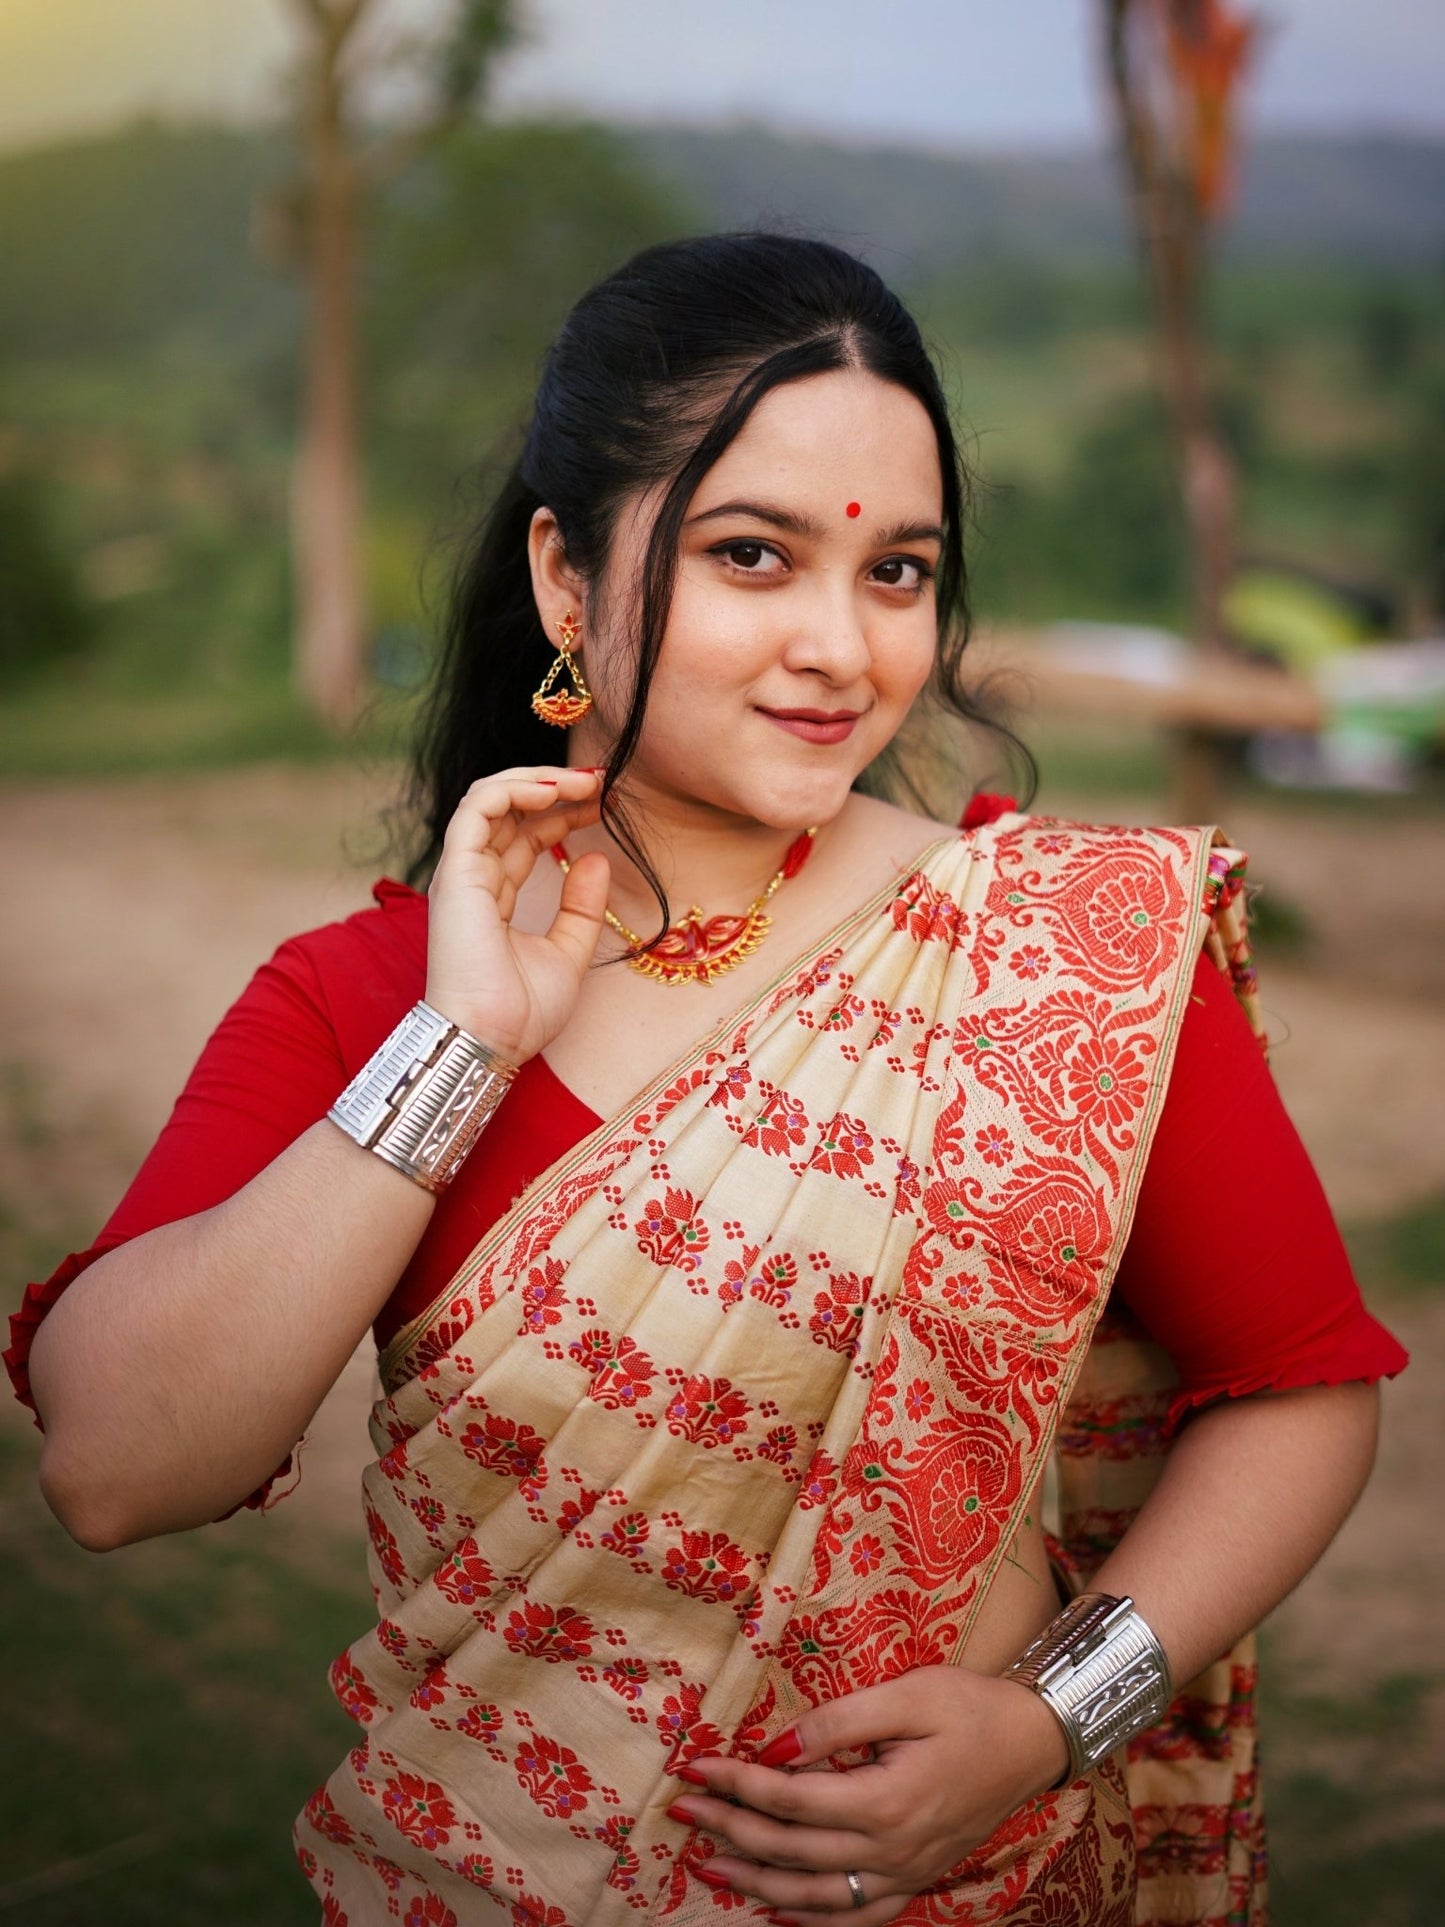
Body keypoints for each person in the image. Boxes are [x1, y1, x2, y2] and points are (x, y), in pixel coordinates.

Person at [7, 234, 1406, 1927]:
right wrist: (462, 1043)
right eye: (754, 557)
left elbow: (1298, 1383)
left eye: (896, 572)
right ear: (564, 577)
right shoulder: (369, 1000)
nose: (841, 646)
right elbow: (116, 1470)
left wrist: (1047, 1721)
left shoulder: (1056, 948)